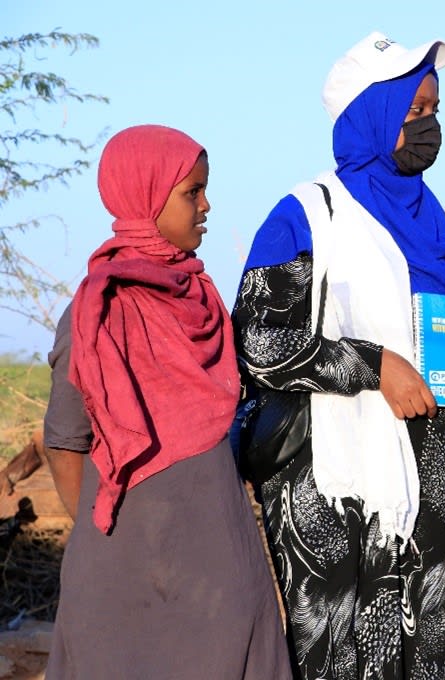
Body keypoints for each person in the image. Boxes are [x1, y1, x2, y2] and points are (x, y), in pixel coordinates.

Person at [232, 32, 445, 679]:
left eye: (434, 109)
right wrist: (372, 364)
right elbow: (259, 343)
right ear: (372, 115)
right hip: (351, 500)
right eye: (413, 110)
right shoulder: (308, 215)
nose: (429, 124)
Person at [42, 125, 290, 679]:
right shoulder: (95, 313)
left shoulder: (204, 302)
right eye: (191, 192)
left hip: (221, 573)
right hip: (118, 580)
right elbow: (64, 443)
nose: (207, 205)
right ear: (146, 197)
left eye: (204, 190)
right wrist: (119, 532)